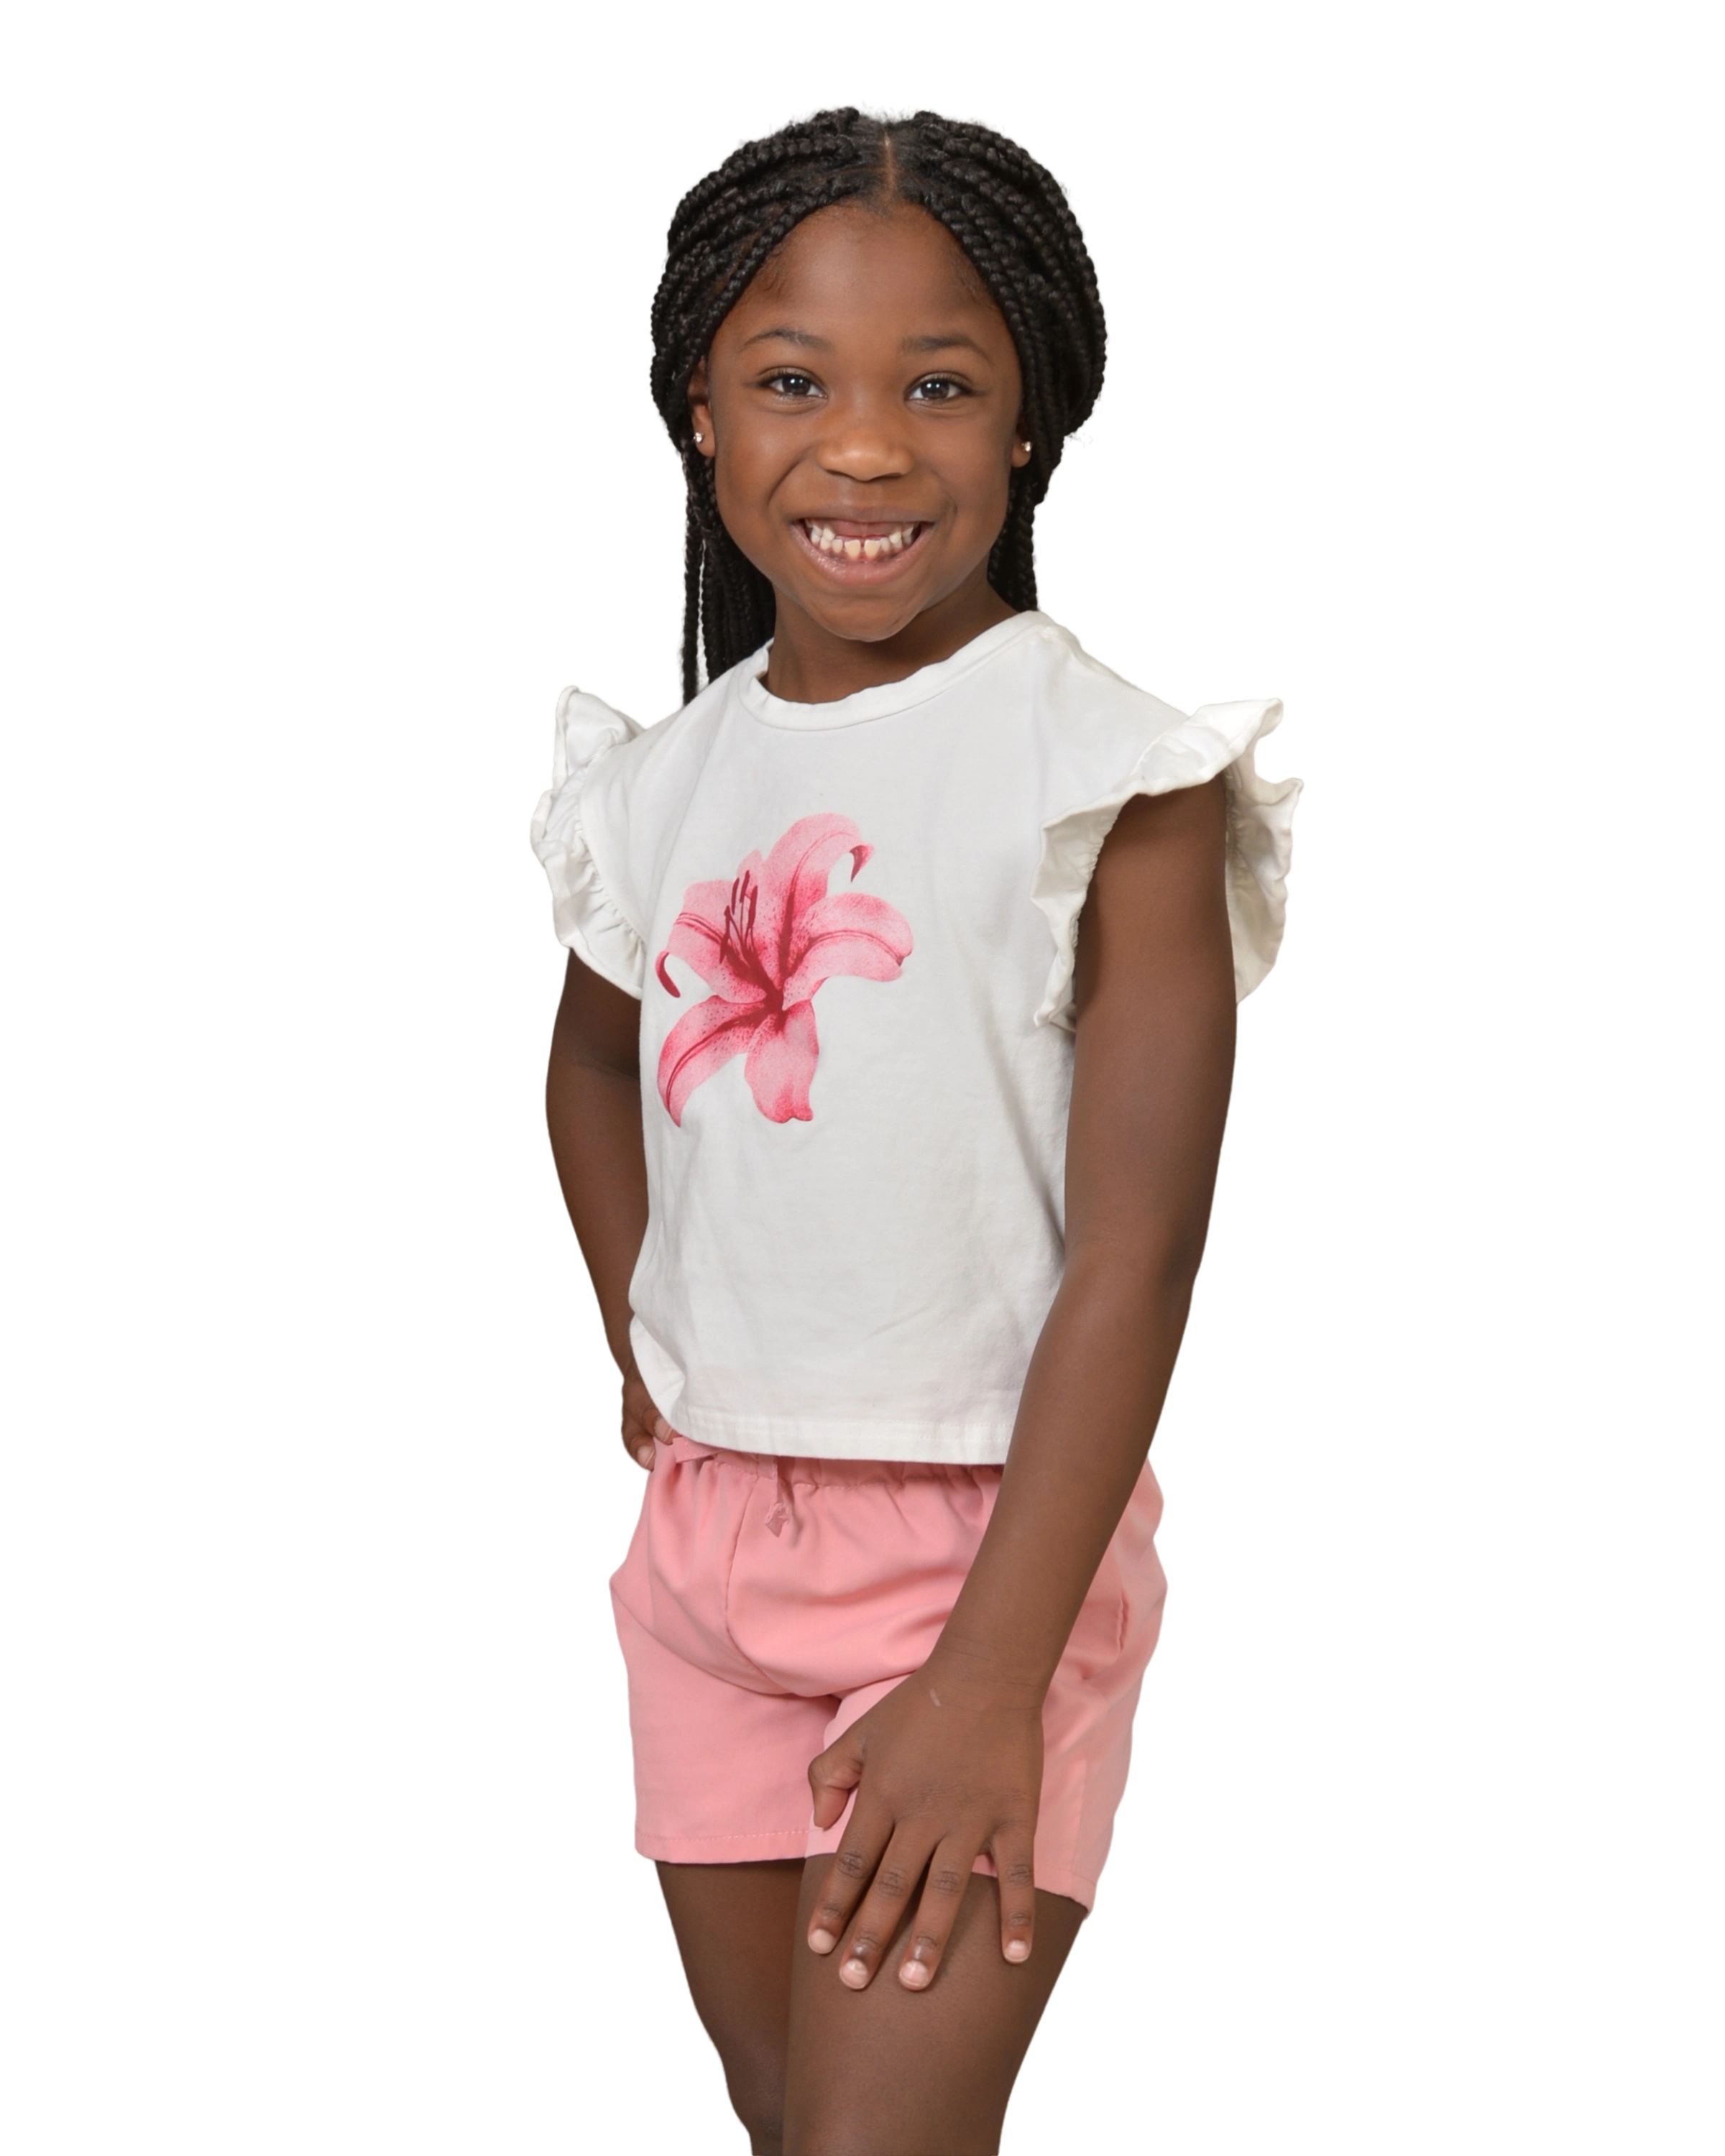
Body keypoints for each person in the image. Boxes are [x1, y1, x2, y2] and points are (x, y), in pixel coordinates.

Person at [527, 99, 1302, 2156]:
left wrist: (988, 1675)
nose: (864, 449)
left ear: (1032, 421)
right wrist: (640, 1339)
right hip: (710, 1547)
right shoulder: (658, 780)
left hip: (984, 1552)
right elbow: (591, 1063)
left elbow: (1140, 1252)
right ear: (699, 413)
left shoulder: (1108, 778)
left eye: (938, 387)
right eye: (795, 382)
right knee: (796, 2128)